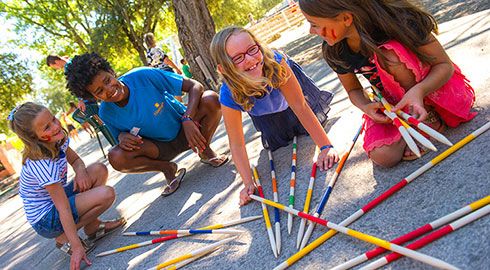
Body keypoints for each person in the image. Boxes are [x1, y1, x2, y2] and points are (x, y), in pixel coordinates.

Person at [299, 0, 476, 167]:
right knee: (384, 157)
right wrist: (366, 107)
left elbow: (444, 66)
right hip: (392, 104)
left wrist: (419, 91)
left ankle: (428, 114)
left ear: (346, 18)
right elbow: (353, 89)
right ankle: (411, 123)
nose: (310, 31)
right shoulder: (334, 50)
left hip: (432, 88)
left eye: (314, 24)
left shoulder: (400, 21)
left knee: (389, 56)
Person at [65, 53, 228, 196]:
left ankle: (204, 150)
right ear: (93, 97)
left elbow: (195, 86)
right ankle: (167, 168)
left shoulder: (142, 75)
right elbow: (119, 143)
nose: (109, 89)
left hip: (187, 130)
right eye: (99, 91)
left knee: (211, 99)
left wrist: (188, 118)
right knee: (116, 156)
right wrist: (121, 137)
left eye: (107, 80)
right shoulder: (106, 113)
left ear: (112, 72)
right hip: (159, 149)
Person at [210, 26, 339, 206]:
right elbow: (237, 143)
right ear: (224, 69)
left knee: (305, 123)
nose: (250, 59)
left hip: (292, 96)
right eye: (238, 58)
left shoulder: (276, 63)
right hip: (264, 112)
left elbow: (300, 106)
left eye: (252, 49)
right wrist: (248, 183)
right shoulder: (228, 94)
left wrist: (325, 146)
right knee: (279, 140)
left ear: (258, 46)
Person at [8, 102, 125, 270]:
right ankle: (64, 238)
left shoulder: (58, 139)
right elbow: (62, 208)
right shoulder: (42, 163)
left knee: (98, 170)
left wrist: (81, 172)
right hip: (45, 218)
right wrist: (76, 246)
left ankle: (93, 227)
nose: (56, 126)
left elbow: (76, 161)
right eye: (47, 127)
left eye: (54, 119)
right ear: (34, 137)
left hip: (56, 202)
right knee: (106, 194)